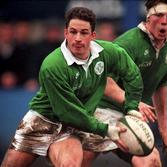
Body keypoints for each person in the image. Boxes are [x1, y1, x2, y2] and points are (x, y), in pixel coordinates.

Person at [1, 7, 144, 167]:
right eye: (73, 31)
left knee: (70, 164)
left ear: (93, 35)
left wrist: (132, 106)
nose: (77, 38)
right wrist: (106, 129)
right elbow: (68, 112)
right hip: (42, 121)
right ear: (66, 33)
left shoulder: (107, 53)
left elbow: (133, 74)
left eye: (84, 32)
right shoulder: (52, 65)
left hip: (73, 127)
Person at [80, 0, 167, 167]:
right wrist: (132, 102)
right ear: (148, 17)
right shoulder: (129, 43)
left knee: (151, 162)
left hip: (130, 118)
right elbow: (103, 80)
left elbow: (161, 85)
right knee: (77, 162)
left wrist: (163, 127)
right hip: (99, 110)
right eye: (159, 15)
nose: (164, 21)